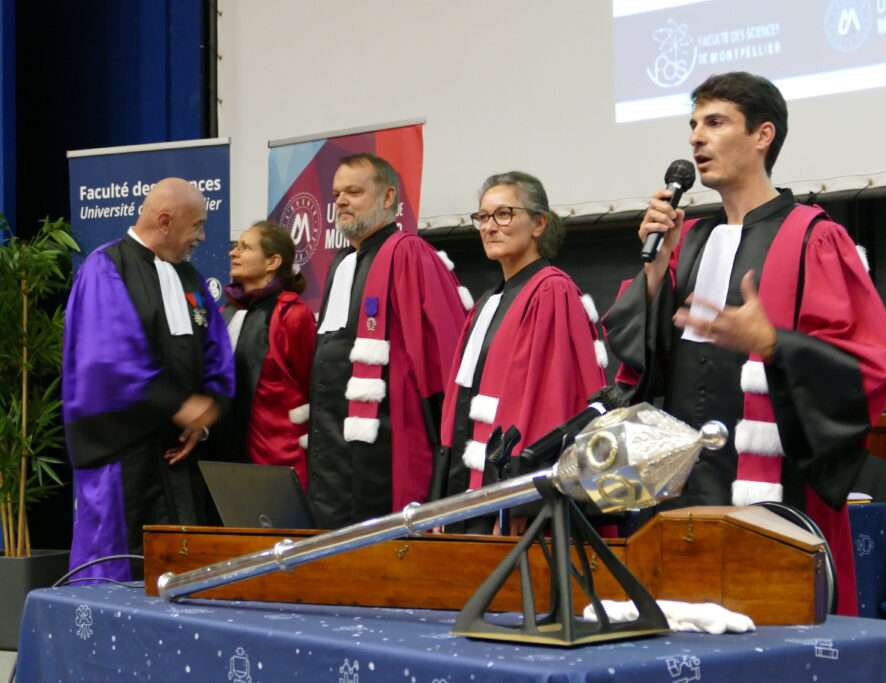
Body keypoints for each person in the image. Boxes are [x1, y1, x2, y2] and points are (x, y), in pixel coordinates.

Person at [603, 72, 886, 615]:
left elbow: (870, 367)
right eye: (694, 124)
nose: (696, 137)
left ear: (763, 135)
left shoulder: (813, 236)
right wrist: (656, 270)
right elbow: (641, 366)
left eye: (715, 123)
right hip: (683, 493)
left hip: (775, 491)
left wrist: (775, 343)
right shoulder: (690, 240)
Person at [63, 177, 234, 580]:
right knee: (118, 572)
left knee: (178, 574)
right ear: (165, 221)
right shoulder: (106, 268)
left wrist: (204, 416)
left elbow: (217, 351)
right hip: (123, 458)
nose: (202, 236)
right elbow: (108, 359)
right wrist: (180, 407)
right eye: (197, 225)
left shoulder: (191, 279)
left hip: (178, 457)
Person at [431, 172, 608, 534]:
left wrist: (521, 501)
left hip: (512, 507)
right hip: (472, 492)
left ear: (539, 223)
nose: (489, 227)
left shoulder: (551, 292)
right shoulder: (489, 302)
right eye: (483, 217)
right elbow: (459, 407)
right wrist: (443, 502)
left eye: (504, 214)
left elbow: (551, 403)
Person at [303, 153, 470, 529]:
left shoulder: (409, 253)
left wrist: (446, 459)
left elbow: (441, 358)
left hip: (384, 450)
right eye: (336, 194)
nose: (341, 202)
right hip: (331, 453)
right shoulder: (340, 264)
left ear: (388, 196)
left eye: (353, 192)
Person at [212, 221, 316, 488]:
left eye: (245, 247)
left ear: (273, 262)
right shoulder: (225, 313)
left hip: (278, 462)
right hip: (225, 462)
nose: (233, 253)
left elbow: (311, 387)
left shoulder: (293, 316)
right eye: (235, 246)